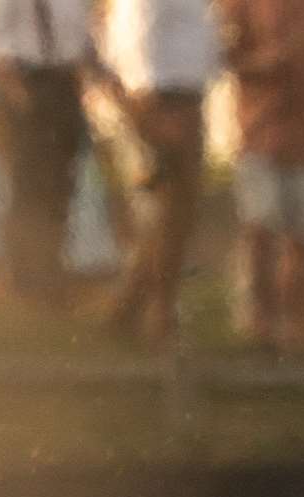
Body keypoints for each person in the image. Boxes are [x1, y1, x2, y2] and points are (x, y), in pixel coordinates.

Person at [218, 0, 304, 352]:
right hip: (261, 132)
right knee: (261, 227)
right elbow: (222, 53)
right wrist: (263, 64)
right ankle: (260, 322)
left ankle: (295, 328)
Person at [100, 0, 215, 346]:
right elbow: (136, 36)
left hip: (185, 98)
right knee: (167, 210)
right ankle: (156, 313)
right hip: (159, 101)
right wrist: (147, 110)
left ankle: (132, 306)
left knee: (178, 213)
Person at [0, 0, 93, 307]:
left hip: (65, 83)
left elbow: (81, 38)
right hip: (28, 82)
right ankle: (28, 277)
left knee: (61, 184)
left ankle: (51, 269)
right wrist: (20, 96)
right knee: (31, 185)